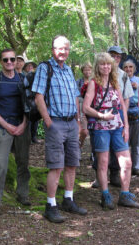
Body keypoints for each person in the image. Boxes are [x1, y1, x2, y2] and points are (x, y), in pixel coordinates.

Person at [32, 35, 87, 223]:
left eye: (66, 48)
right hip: (55, 123)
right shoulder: (44, 68)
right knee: (56, 166)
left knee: (72, 163)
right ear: (53, 49)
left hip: (71, 123)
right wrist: (48, 122)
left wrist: (78, 122)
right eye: (59, 48)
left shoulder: (69, 71)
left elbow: (74, 97)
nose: (63, 52)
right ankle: (50, 205)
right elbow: (38, 96)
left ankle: (68, 200)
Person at [83, 52, 139, 209]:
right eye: (102, 64)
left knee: (126, 162)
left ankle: (124, 194)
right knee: (103, 162)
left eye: (108, 64)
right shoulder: (94, 83)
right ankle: (105, 195)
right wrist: (101, 115)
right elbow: (85, 107)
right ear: (97, 66)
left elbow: (122, 105)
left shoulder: (115, 81)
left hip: (118, 127)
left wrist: (126, 127)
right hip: (101, 128)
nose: (106, 67)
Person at [0, 48, 31, 215]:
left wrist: (24, 124)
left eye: (12, 59)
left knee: (23, 162)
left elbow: (29, 104)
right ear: (1, 62)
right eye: (6, 60)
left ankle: (23, 194)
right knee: (0, 164)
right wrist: (7, 125)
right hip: (2, 128)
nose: (10, 62)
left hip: (22, 127)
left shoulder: (23, 79)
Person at [91, 46, 134, 187]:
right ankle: (100, 178)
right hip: (100, 118)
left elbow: (126, 98)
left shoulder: (123, 75)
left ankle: (115, 175)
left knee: (120, 150)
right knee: (101, 151)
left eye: (118, 57)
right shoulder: (95, 78)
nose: (115, 59)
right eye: (113, 56)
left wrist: (123, 116)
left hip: (118, 115)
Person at [122, 58, 139, 176]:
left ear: (134, 69)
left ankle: (136, 166)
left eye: (130, 67)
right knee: (123, 143)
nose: (128, 69)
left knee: (136, 143)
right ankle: (125, 166)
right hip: (123, 113)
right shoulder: (120, 80)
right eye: (126, 67)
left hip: (136, 114)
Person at [76, 62, 93, 148]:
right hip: (82, 106)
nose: (87, 72)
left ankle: (93, 153)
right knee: (83, 130)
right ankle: (79, 146)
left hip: (92, 107)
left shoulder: (94, 81)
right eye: (85, 70)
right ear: (82, 71)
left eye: (89, 70)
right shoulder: (79, 82)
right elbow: (76, 96)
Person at [23, 59, 40, 144]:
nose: (30, 67)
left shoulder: (37, 76)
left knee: (36, 119)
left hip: (36, 100)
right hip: (27, 100)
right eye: (28, 66)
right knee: (28, 119)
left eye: (31, 66)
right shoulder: (23, 76)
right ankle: (28, 138)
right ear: (25, 68)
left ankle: (34, 137)